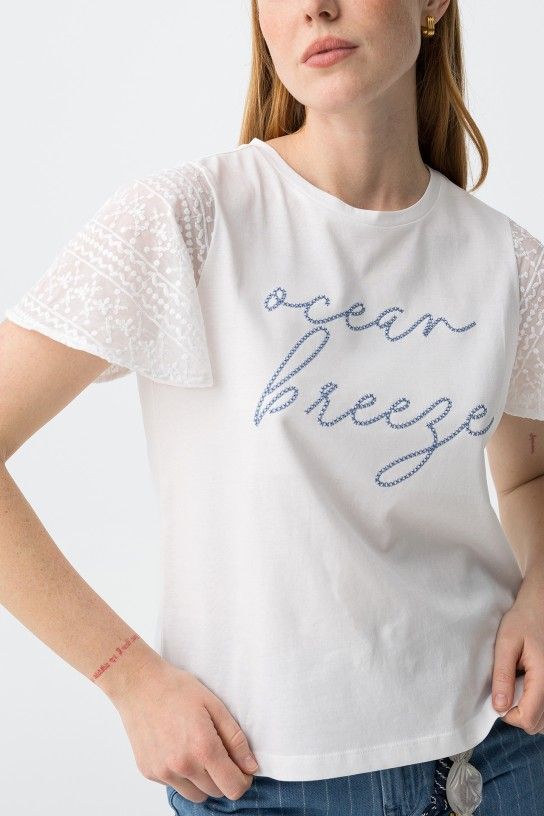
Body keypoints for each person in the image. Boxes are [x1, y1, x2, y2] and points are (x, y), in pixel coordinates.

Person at [1, 0, 543, 814]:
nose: (315, 7)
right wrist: (127, 677)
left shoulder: (508, 261)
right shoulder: (187, 221)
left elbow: (530, 477)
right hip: (259, 779)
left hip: (501, 753)